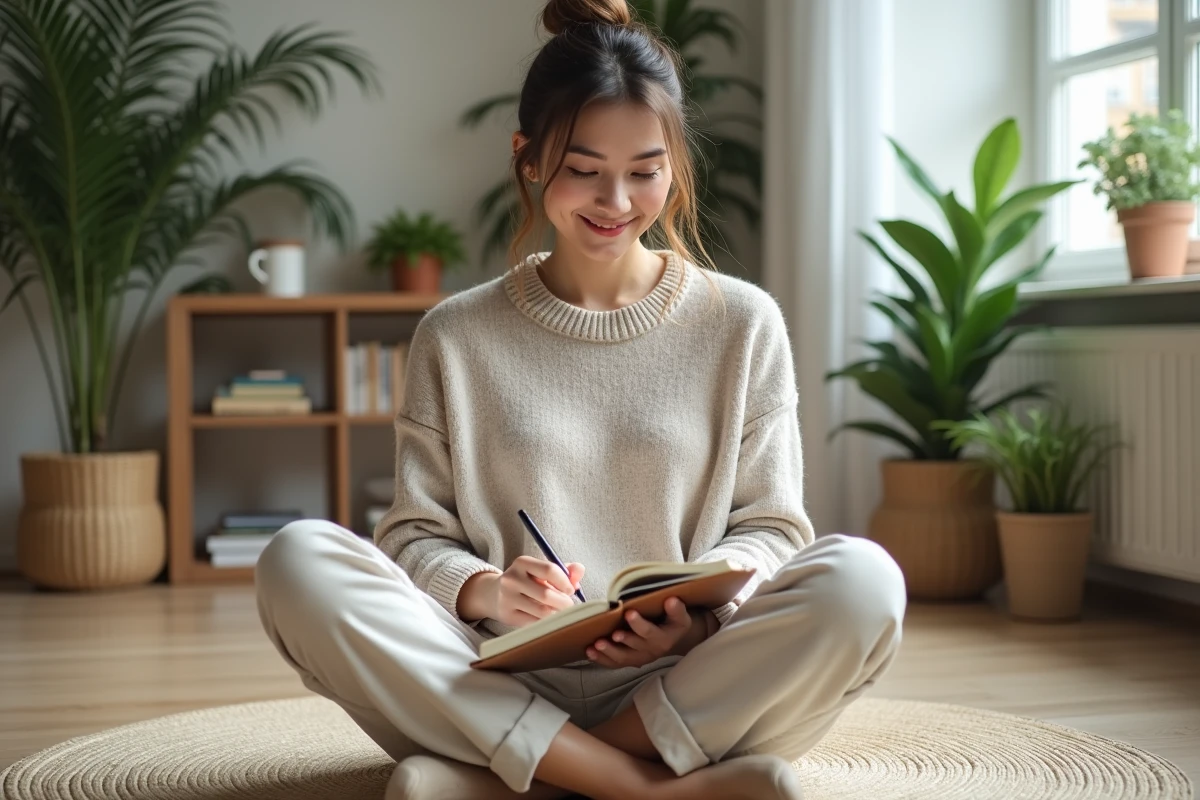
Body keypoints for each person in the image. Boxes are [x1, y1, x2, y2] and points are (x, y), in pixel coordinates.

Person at [254, 1, 907, 798]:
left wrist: (694, 613)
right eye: (583, 168)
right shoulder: (454, 335)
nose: (618, 200)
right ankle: (643, 785)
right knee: (299, 561)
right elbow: (415, 539)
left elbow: (771, 528)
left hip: (690, 678)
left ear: (675, 166)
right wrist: (490, 591)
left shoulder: (743, 323)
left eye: (646, 170)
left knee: (865, 579)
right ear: (528, 160)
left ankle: (523, 774)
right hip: (497, 674)